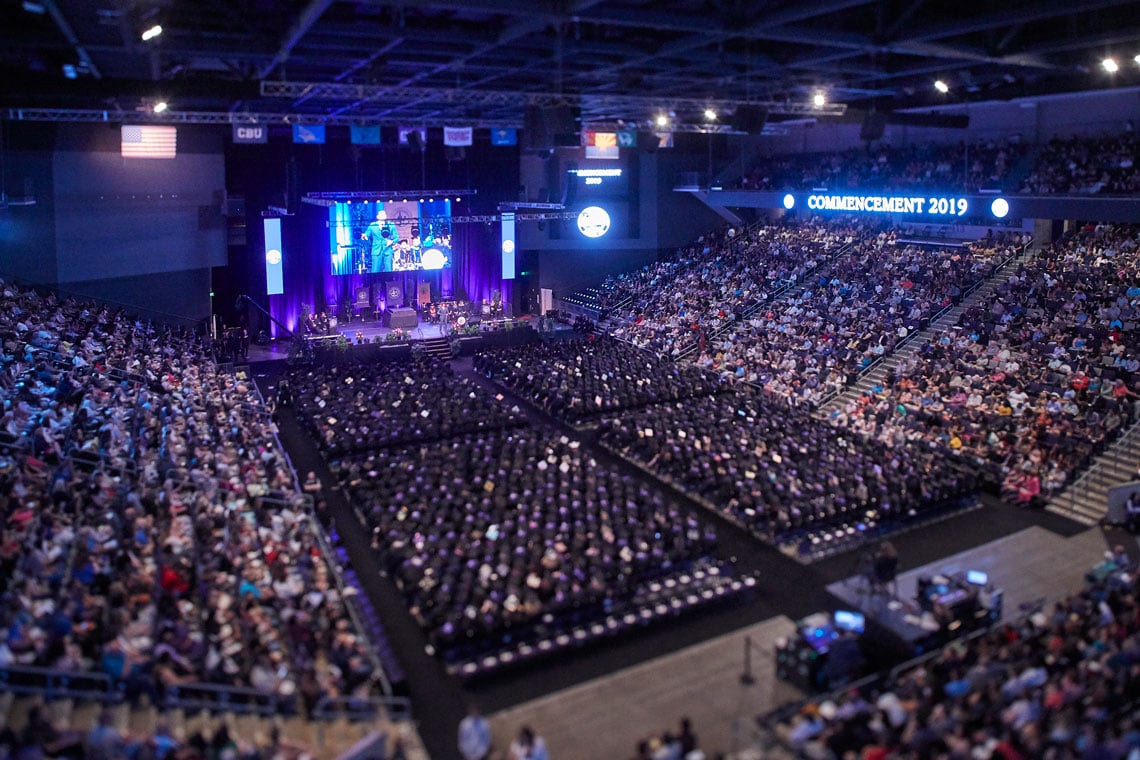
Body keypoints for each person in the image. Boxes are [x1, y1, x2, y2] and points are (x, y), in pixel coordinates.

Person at [362, 208, 397, 273]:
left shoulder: (391, 225)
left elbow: (397, 238)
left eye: (384, 214)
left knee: (389, 271)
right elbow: (367, 235)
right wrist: (364, 236)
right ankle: (374, 283)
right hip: (376, 251)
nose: (383, 215)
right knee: (375, 271)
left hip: (388, 251)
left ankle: (390, 282)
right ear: (377, 216)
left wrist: (392, 241)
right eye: (381, 214)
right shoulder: (372, 226)